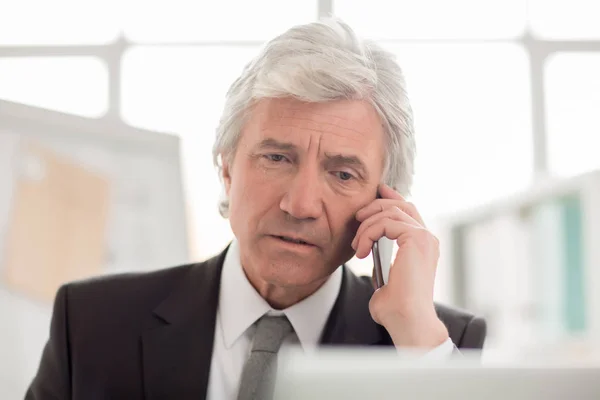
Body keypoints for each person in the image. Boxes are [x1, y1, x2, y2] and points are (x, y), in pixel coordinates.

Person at [26, 18, 486, 400]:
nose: (300, 205)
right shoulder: (91, 323)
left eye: (343, 174)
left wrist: (418, 339)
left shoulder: (437, 346)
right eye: (277, 158)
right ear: (227, 169)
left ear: (386, 202)